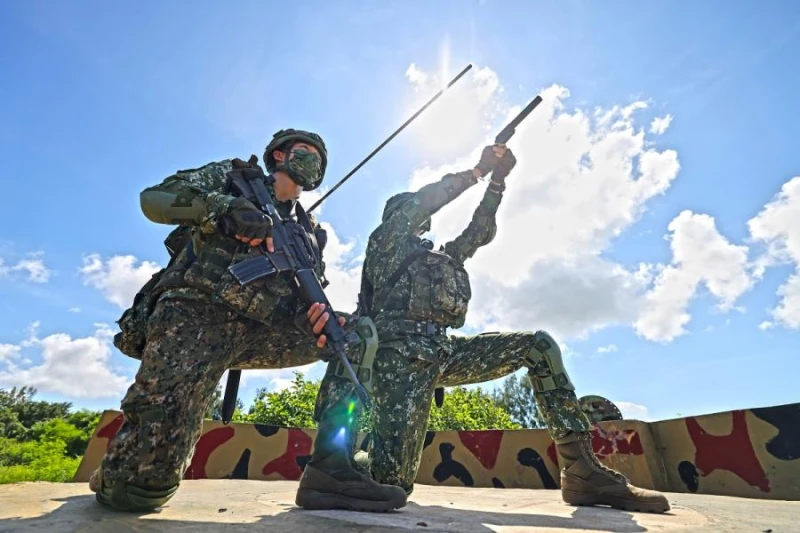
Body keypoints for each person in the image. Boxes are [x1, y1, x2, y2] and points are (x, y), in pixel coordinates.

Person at [300, 143, 671, 513]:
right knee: (392, 483)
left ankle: (581, 473)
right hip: (400, 358)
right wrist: (475, 172)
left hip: (444, 352)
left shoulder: (442, 256)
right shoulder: (385, 243)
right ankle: (352, 461)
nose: (418, 216)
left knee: (538, 346)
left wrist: (497, 183)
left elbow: (478, 232)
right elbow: (424, 201)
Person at [89, 128, 406, 512]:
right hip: (196, 319)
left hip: (264, 332)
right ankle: (115, 473)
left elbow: (295, 301)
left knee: (355, 335)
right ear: (278, 155)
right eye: (306, 151)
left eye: (320, 158)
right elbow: (155, 199)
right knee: (139, 491)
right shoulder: (235, 178)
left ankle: (332, 470)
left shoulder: (310, 234)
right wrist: (223, 209)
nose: (314, 161)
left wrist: (311, 321)